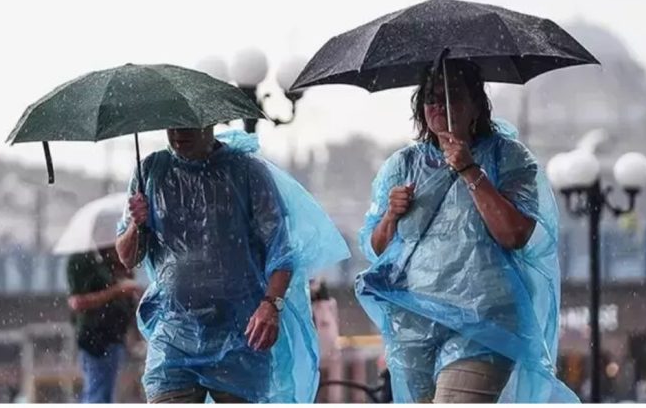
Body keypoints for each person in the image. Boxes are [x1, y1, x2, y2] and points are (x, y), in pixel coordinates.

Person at [356, 61, 576, 403]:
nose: (439, 106)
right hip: (414, 320)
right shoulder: (403, 165)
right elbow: (377, 247)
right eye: (431, 99)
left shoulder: (508, 157)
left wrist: (470, 170)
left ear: (476, 105)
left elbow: (515, 234)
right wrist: (390, 216)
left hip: (484, 320)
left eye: (452, 96)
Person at [115, 126, 349, 403]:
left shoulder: (246, 173)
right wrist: (136, 224)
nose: (179, 132)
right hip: (175, 335)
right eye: (173, 124)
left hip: (240, 336)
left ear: (210, 123)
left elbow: (281, 252)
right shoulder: (152, 172)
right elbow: (128, 256)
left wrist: (271, 305)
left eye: (188, 124)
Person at [67, 245, 141, 403]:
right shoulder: (82, 260)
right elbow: (77, 302)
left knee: (104, 392)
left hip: (113, 336)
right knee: (98, 392)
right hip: (96, 339)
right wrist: (117, 291)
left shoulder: (106, 260)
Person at [310, 279, 343, 402]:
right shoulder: (307, 306)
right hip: (315, 352)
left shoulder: (328, 304)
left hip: (330, 350)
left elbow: (333, 324)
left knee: (332, 388)